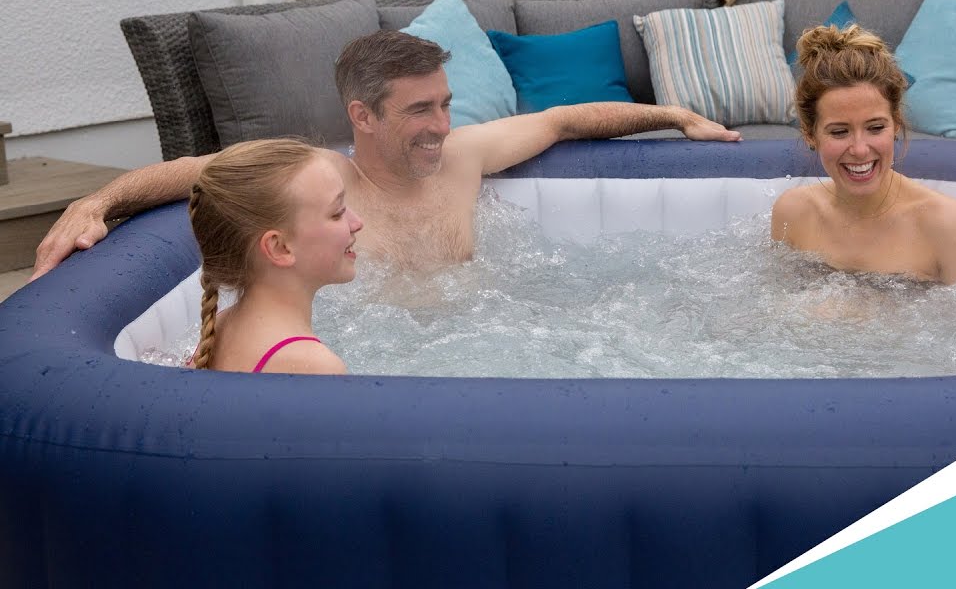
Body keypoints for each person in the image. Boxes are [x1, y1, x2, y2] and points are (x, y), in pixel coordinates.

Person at [30, 30, 740, 281]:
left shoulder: (465, 156)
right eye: (420, 110)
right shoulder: (320, 177)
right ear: (362, 116)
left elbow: (562, 120)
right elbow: (197, 170)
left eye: (445, 104)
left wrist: (676, 116)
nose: (443, 126)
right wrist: (96, 202)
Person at [770, 24, 956, 284]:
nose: (860, 149)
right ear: (810, 134)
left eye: (875, 128)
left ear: (896, 123)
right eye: (839, 132)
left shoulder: (947, 224)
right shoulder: (793, 212)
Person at [187, 138, 361, 373]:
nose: (357, 223)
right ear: (279, 247)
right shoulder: (315, 366)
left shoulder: (218, 328)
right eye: (337, 213)